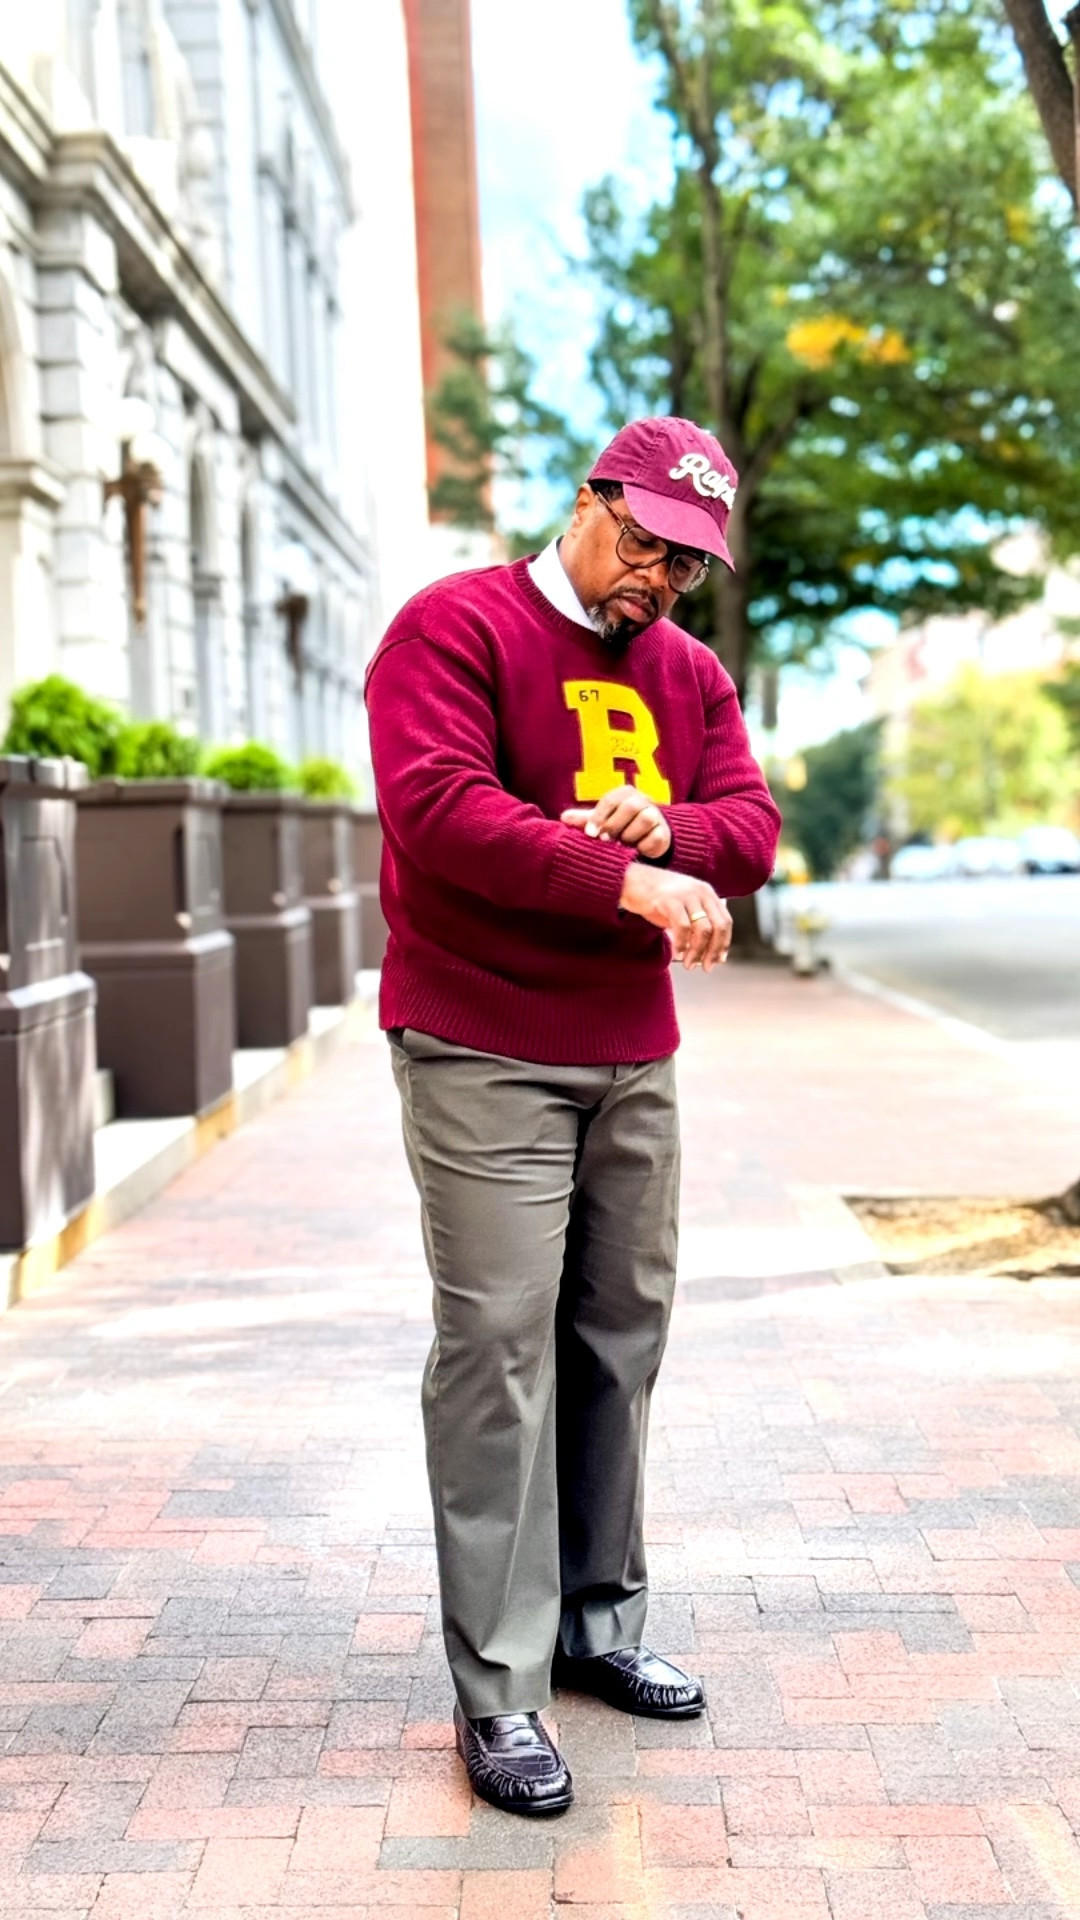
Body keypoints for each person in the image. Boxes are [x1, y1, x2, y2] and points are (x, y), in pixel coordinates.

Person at [365, 416, 781, 1817]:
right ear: (592, 501)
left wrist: (671, 832)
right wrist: (619, 881)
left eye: (689, 564)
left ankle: (599, 1624)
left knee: (619, 1334)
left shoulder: (689, 672)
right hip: (481, 1040)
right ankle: (499, 1688)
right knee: (497, 1344)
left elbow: (750, 826)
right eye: (648, 545)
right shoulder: (454, 627)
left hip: (632, 1052)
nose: (661, 580)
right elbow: (440, 810)